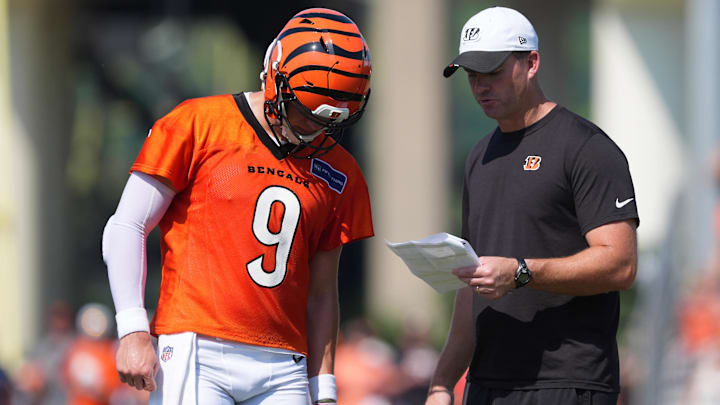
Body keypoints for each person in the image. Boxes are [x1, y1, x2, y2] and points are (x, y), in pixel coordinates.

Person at [101, 7, 373, 405]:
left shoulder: (339, 169)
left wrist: (325, 386)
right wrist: (133, 329)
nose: (313, 126)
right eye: (304, 110)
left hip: (286, 363)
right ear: (275, 75)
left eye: (327, 116)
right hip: (199, 346)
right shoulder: (198, 123)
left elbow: (321, 292)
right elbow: (126, 225)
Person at [425, 7, 639, 405]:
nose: (481, 86)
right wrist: (442, 382)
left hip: (568, 382)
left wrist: (522, 272)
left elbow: (621, 264)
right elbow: (473, 283)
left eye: (493, 72)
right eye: (472, 75)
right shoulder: (478, 156)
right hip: (487, 384)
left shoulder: (586, 147)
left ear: (531, 63)